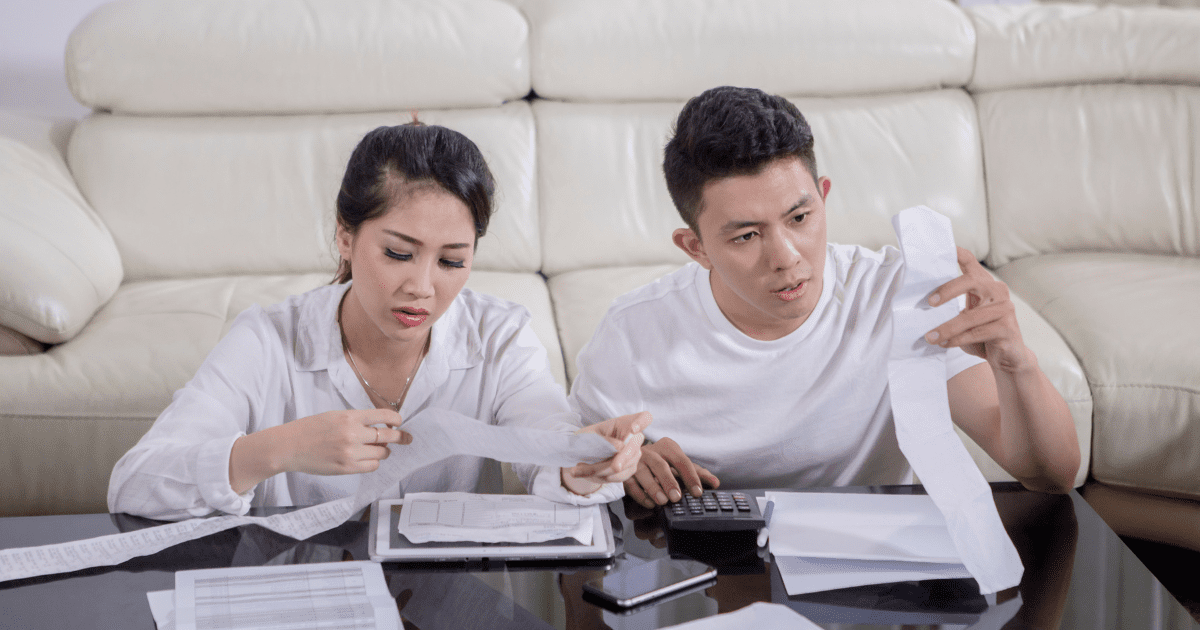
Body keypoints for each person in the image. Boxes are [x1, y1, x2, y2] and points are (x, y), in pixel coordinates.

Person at [569, 86, 1079, 509]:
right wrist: (621, 467)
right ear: (695, 247)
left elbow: (1049, 476)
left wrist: (1017, 363)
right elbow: (562, 469)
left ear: (824, 197)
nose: (787, 257)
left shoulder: (900, 296)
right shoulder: (634, 332)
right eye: (746, 236)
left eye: (800, 218)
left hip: (874, 581)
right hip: (715, 579)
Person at [109, 121, 647, 520]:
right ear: (345, 236)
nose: (422, 286)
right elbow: (134, 485)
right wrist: (281, 448)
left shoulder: (500, 336)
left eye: (453, 261)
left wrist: (581, 464)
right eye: (397, 253)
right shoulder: (268, 338)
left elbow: (545, 439)